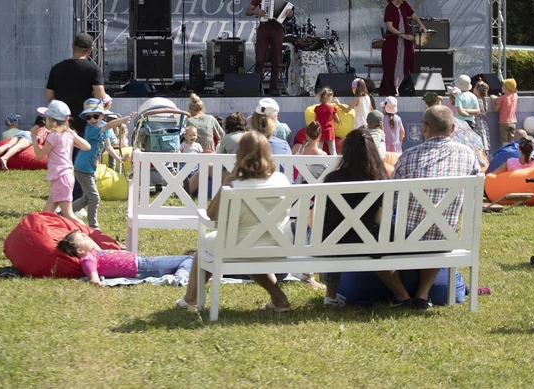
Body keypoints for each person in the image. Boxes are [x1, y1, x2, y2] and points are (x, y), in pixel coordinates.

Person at [178, 132, 293, 312]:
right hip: (281, 243)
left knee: (207, 246)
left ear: (240, 155)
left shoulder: (235, 185)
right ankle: (279, 298)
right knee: (246, 247)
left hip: (242, 245)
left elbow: (210, 216)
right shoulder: (282, 179)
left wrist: (226, 182)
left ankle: (190, 298)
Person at [387, 106, 482, 309]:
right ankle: (422, 294)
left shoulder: (408, 157)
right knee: (438, 227)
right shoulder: (468, 155)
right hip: (446, 236)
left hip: (406, 237)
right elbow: (474, 193)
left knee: (378, 233)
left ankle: (402, 296)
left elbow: (392, 200)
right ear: (453, 128)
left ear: (424, 127)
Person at [316, 129, 411, 307]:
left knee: (330, 234)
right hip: (369, 241)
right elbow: (379, 219)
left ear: (346, 153)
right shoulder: (381, 179)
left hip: (334, 242)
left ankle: (330, 296)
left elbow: (324, 214)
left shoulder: (332, 178)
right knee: (378, 241)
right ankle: (403, 296)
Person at [72, 99, 136, 229]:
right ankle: (93, 226)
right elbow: (108, 126)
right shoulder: (91, 129)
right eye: (88, 117)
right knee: (94, 198)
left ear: (102, 115)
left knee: (87, 198)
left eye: (96, 116)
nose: (92, 119)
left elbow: (108, 146)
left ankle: (63, 213)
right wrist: (124, 119)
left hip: (90, 168)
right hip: (82, 168)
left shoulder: (104, 129)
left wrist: (119, 159)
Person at [57, 230, 194, 286]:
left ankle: (183, 270)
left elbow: (97, 249)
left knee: (186, 259)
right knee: (188, 259)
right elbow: (93, 275)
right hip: (142, 266)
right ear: (80, 250)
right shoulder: (87, 259)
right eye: (83, 237)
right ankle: (180, 278)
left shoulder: (95, 253)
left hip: (142, 263)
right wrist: (95, 281)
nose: (87, 236)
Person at [45, 33, 109, 135]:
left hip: (62, 121)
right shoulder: (94, 69)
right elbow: (100, 96)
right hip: (86, 120)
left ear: (72, 47)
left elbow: (49, 97)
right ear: (90, 50)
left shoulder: (56, 68)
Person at [379, 0, 427, 97]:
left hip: (404, 41)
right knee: (392, 64)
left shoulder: (404, 5)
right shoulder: (390, 8)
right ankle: (392, 88)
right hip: (393, 41)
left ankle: (403, 87)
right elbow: (389, 26)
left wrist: (421, 25)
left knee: (406, 63)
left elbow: (413, 15)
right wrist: (403, 35)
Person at [245, 0, 287, 95]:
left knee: (276, 59)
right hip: (264, 27)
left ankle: (273, 88)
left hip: (277, 28)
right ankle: (256, 87)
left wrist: (289, 13)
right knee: (260, 59)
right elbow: (248, 11)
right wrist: (257, 12)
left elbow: (286, 14)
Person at [313, 87, 347, 155]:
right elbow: (337, 120)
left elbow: (315, 120)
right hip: (329, 131)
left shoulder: (317, 108)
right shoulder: (332, 108)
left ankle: (318, 164)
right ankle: (335, 165)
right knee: (333, 151)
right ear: (328, 97)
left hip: (320, 131)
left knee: (319, 150)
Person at [490, 77, 518, 147]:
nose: (501, 87)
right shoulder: (515, 96)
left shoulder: (503, 98)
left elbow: (495, 109)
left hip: (503, 122)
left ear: (507, 88)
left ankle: (505, 155)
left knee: (504, 143)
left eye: (503, 85)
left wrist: (493, 100)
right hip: (513, 122)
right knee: (512, 142)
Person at [471, 81, 491, 155]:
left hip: (477, 124)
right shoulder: (484, 100)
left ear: (478, 89)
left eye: (475, 87)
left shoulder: (477, 101)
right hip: (483, 124)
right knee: (484, 141)